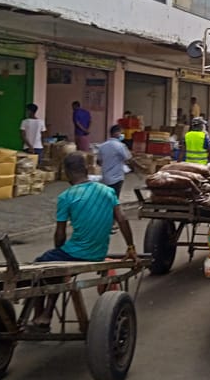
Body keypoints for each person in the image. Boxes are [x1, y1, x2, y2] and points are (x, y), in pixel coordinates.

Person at [29, 152, 137, 330]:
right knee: (55, 264)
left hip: (76, 253)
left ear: (67, 173)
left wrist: (60, 251)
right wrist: (131, 247)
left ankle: (42, 316)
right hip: (98, 252)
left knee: (40, 268)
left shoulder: (67, 196)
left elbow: (60, 234)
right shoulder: (107, 191)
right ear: (86, 169)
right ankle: (45, 315)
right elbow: (122, 219)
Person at [97, 124, 132, 200]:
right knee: (115, 199)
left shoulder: (102, 146)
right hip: (117, 178)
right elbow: (128, 158)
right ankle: (114, 212)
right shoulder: (120, 146)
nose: (122, 135)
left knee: (106, 199)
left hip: (105, 177)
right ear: (116, 133)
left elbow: (99, 162)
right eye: (121, 132)